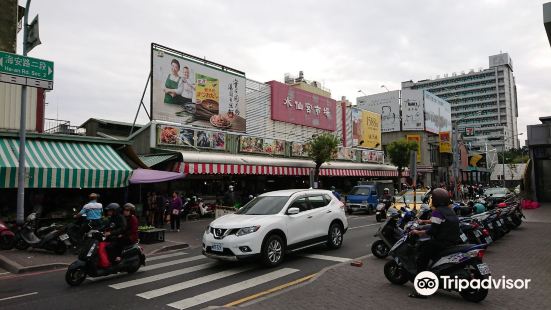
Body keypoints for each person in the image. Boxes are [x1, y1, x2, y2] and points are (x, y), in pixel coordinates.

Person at [409, 188, 462, 297]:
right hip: (453, 241)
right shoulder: (449, 210)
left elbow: (432, 230)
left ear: (436, 200)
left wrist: (418, 232)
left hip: (441, 242)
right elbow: (439, 222)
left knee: (421, 259)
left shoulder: (437, 211)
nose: (432, 200)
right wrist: (424, 221)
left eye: (432, 198)